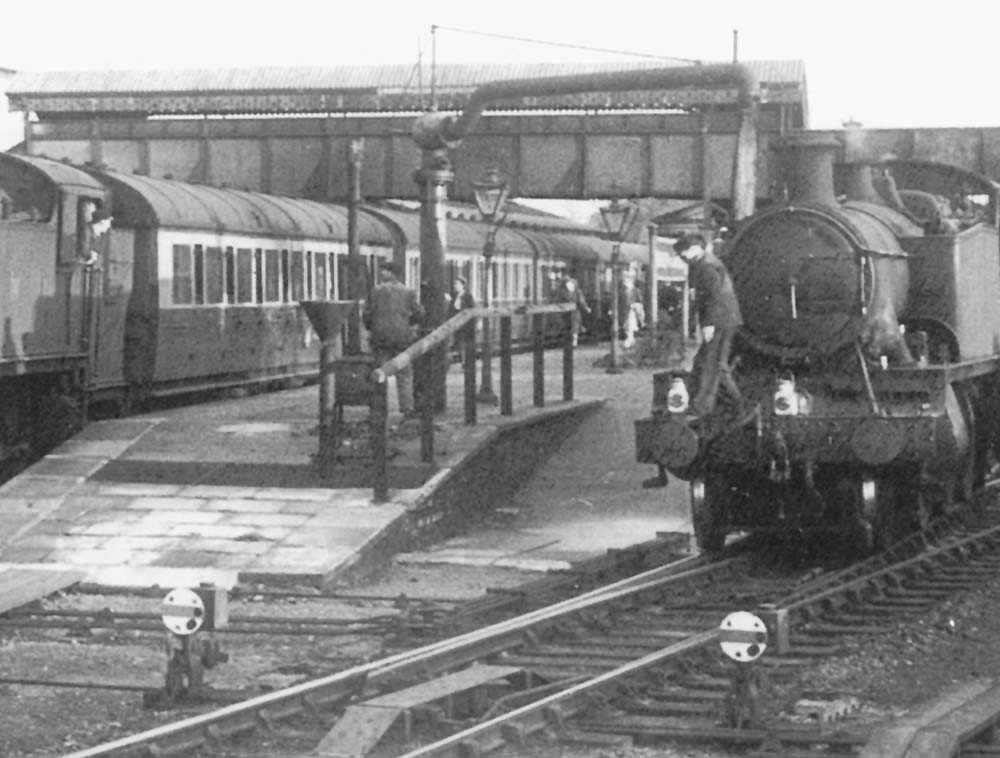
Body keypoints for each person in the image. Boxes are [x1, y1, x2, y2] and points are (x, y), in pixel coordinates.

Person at [674, 232, 744, 417]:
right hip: (724, 319)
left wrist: (709, 324)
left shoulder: (707, 267)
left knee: (711, 364)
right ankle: (737, 404)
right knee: (710, 363)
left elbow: (714, 296)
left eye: (684, 251)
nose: (682, 256)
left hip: (719, 320)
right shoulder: (702, 265)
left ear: (696, 249)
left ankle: (703, 407)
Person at [363, 261, 425, 417]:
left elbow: (366, 315)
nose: (381, 274)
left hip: (380, 338)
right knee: (404, 374)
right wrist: (406, 324)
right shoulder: (408, 292)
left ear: (390, 273)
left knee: (380, 373)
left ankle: (380, 408)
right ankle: (407, 409)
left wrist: (373, 328)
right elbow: (419, 314)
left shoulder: (375, 291)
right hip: (402, 338)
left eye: (383, 271)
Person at [554, 274, 590, 347]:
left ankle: (572, 340)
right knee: (575, 324)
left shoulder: (562, 291)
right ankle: (574, 340)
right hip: (571, 312)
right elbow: (581, 301)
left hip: (566, 312)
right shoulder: (575, 291)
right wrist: (586, 308)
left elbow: (557, 301)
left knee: (571, 325)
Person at [447, 277, 476, 364]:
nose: (455, 286)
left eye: (457, 284)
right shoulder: (454, 296)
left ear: (463, 285)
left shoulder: (468, 296)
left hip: (466, 323)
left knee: (464, 343)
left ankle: (465, 362)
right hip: (456, 323)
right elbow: (451, 310)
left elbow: (472, 309)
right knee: (458, 342)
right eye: (455, 284)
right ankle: (461, 360)